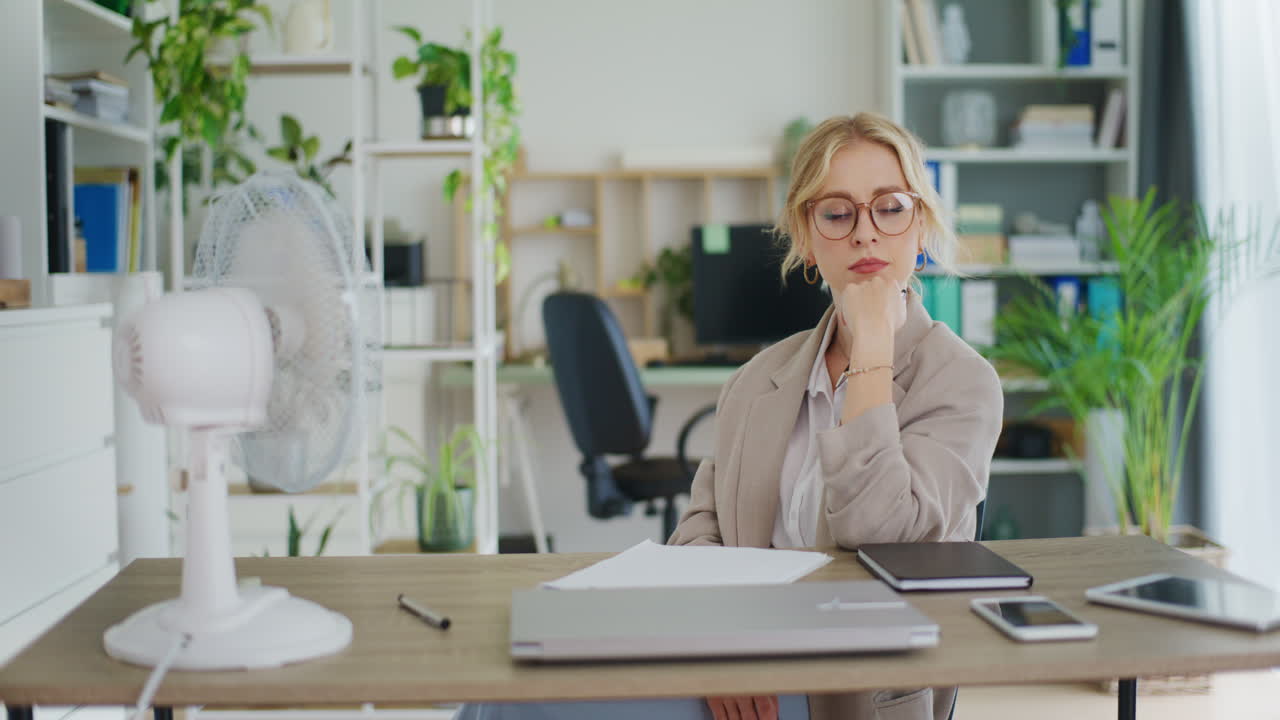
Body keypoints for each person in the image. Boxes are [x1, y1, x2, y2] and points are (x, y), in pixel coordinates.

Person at [457, 112, 1003, 720]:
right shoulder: (758, 378)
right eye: (837, 213)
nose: (866, 235)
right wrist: (722, 645)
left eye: (891, 208)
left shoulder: (962, 382)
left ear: (919, 224)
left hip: (853, 680)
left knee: (523, 710)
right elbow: (700, 528)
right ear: (808, 236)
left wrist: (873, 352)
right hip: (742, 660)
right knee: (497, 685)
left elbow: (884, 539)